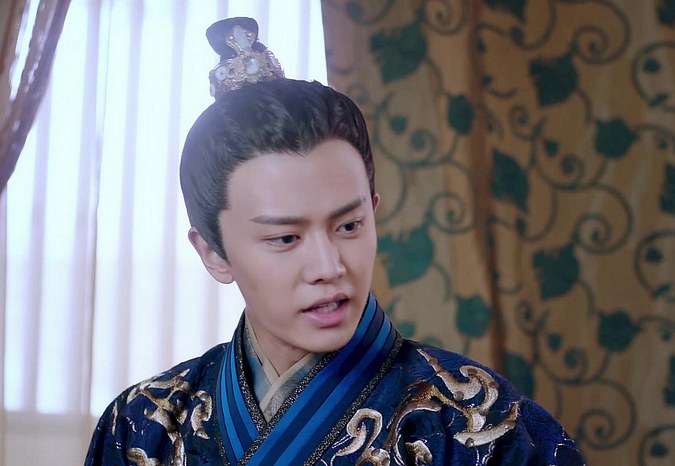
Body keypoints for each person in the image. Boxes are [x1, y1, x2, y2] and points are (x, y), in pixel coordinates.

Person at [84, 17, 585, 466]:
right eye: (285, 237)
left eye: (349, 226)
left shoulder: (481, 425)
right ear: (213, 253)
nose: (329, 266)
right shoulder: (143, 427)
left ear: (374, 213)